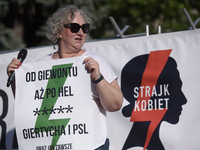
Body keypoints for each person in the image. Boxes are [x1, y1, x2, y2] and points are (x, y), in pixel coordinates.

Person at [6, 5, 123, 150]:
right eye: (74, 27)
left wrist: (98, 78)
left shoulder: (94, 61)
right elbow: (29, 106)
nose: (80, 32)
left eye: (84, 28)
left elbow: (115, 105)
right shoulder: (41, 65)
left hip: (91, 146)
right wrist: (15, 80)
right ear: (58, 31)